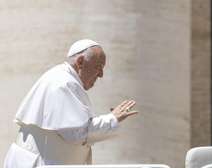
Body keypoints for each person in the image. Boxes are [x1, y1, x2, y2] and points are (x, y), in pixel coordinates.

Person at [4, 39, 138, 168]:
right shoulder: (63, 83)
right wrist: (112, 119)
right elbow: (77, 133)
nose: (101, 75)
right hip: (41, 163)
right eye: (98, 67)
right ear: (80, 62)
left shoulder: (64, 78)